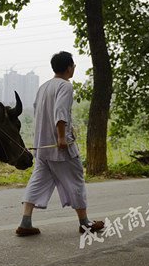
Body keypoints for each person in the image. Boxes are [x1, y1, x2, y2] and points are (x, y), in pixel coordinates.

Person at [16, 51, 103, 236]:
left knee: (37, 182)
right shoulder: (65, 86)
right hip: (60, 147)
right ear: (69, 68)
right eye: (74, 66)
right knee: (76, 179)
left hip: (43, 148)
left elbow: (38, 112)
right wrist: (62, 137)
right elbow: (60, 112)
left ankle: (25, 222)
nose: (74, 69)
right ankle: (85, 222)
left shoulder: (44, 87)